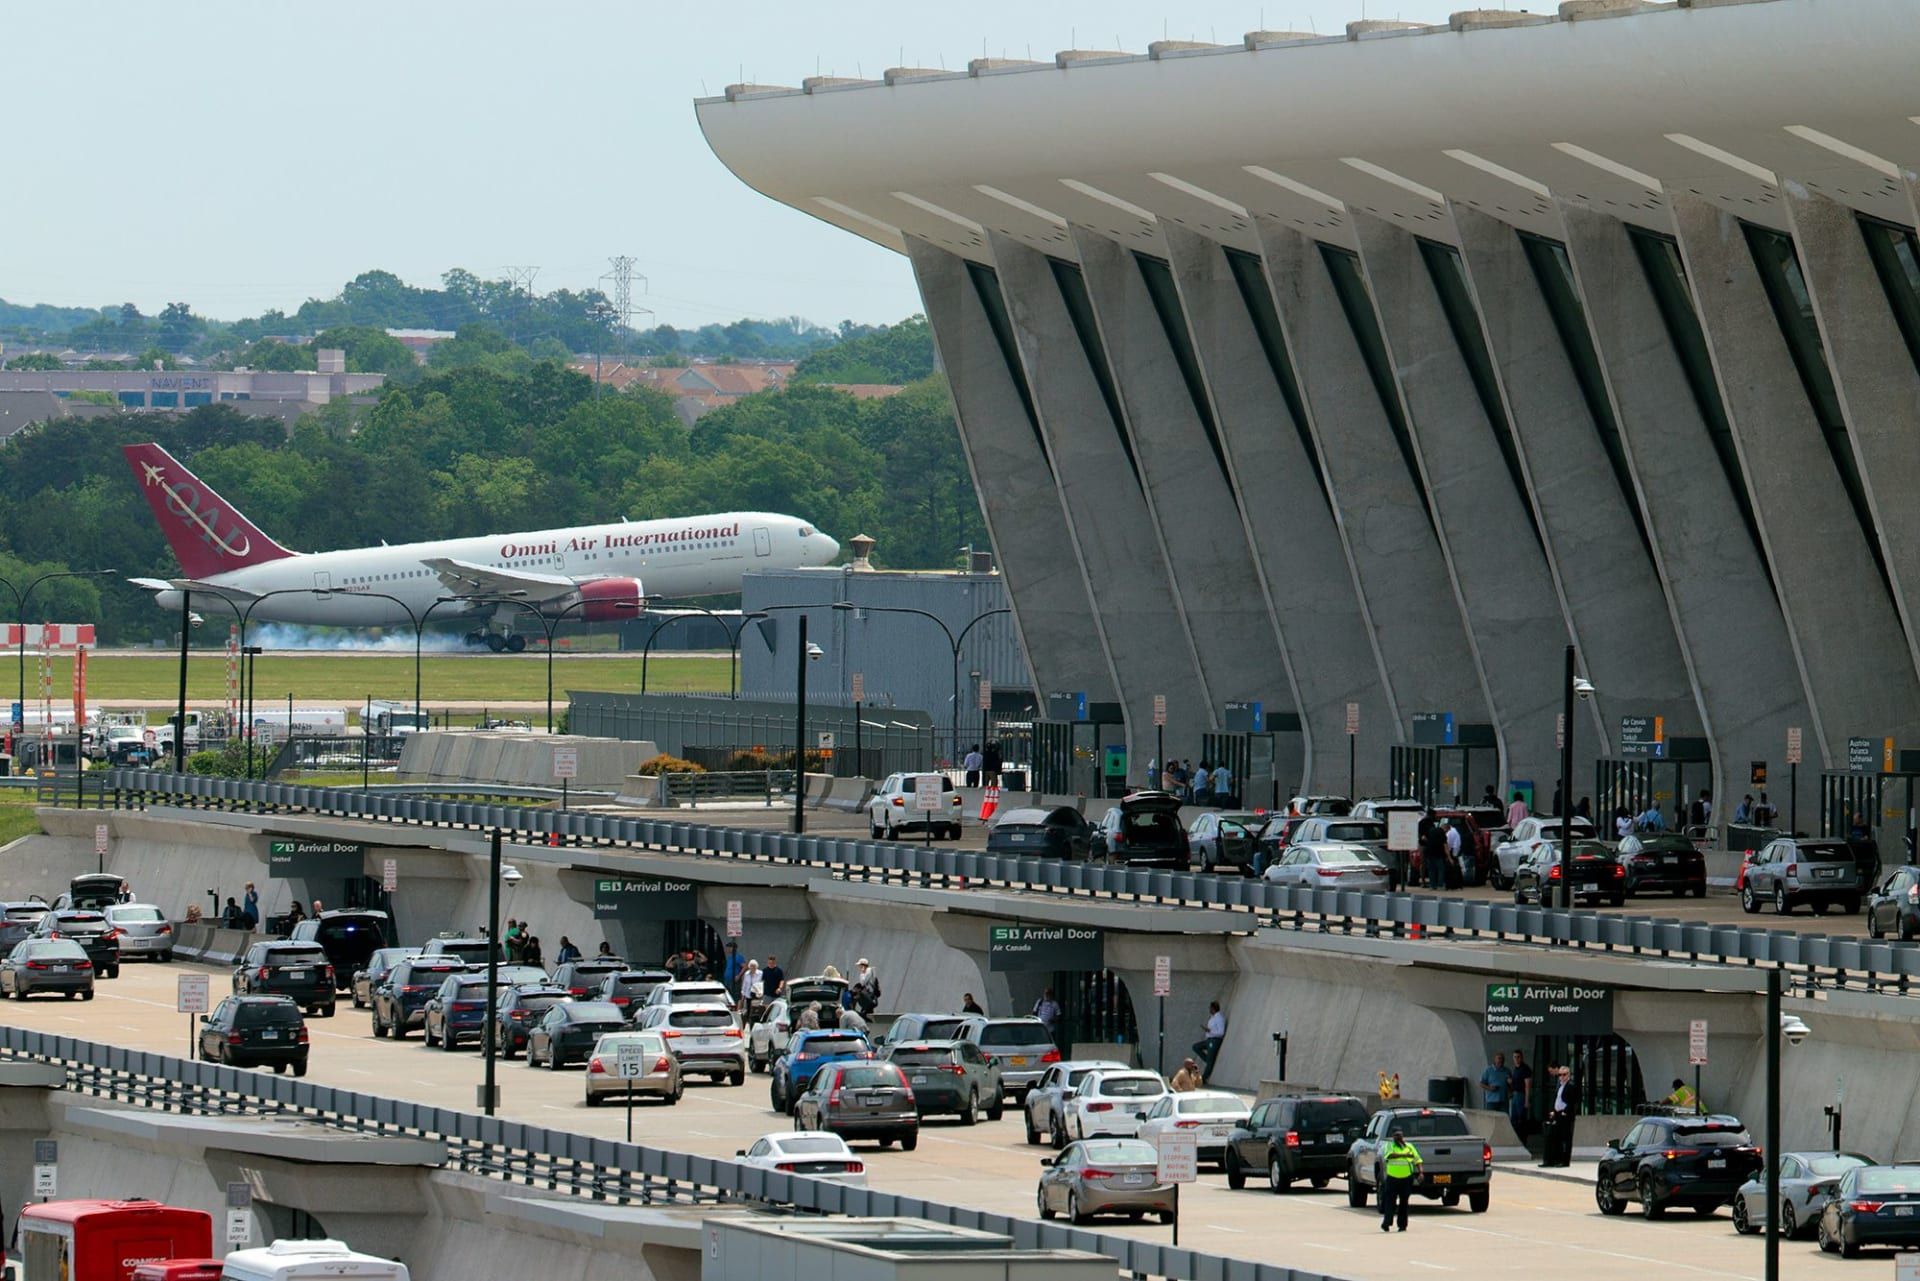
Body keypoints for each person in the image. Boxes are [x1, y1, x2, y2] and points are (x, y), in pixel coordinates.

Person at [1379, 1127, 1424, 1233]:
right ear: (1393, 1137)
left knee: (1404, 1202)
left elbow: (1417, 1160)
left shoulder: (1409, 1146)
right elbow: (1390, 1155)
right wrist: (1405, 1155)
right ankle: (1387, 1223)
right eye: (1396, 1135)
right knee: (1390, 1202)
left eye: (1400, 1135)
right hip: (1392, 1178)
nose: (1398, 1137)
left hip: (1406, 1178)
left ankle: (1402, 1225)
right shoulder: (1390, 1146)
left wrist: (1421, 1172)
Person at [1542, 1065, 1577, 1167]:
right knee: (1555, 1137)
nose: (1562, 1077)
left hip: (1565, 1115)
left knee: (1565, 1139)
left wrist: (1565, 1112)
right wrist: (1554, 1111)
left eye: (1564, 1074)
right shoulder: (1560, 1086)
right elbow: (1557, 1100)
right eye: (1560, 1075)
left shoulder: (1571, 1086)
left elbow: (1573, 1102)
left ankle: (1564, 1161)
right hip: (1557, 1114)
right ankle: (1553, 1160)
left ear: (1568, 1075)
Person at [1193, 1001, 1226, 1079]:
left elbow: (1221, 1032)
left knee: (1210, 1060)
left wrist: (1209, 1031)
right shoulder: (1212, 1018)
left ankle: (1204, 1078)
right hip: (1209, 1040)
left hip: (1214, 1041)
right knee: (1195, 1047)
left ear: (1213, 1008)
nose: (1209, 1009)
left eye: (1210, 1008)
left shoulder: (1219, 1018)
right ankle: (1209, 1061)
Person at [1508, 1049, 1533, 1140]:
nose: (1516, 1059)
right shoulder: (1515, 1069)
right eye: (1515, 1057)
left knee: (1522, 1119)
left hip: (1521, 1095)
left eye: (1518, 1057)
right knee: (1514, 1119)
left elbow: (1527, 1085)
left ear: (1521, 1058)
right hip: (1515, 1095)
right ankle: (1516, 1139)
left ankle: (1523, 1140)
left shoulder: (1525, 1069)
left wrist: (1527, 1100)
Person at [1423, 819, 1449, 892]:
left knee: (1431, 870)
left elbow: (1423, 838)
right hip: (1438, 853)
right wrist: (1449, 857)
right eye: (1447, 831)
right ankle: (1440, 885)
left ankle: (1432, 885)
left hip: (1429, 852)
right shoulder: (1442, 833)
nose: (1446, 832)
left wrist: (1429, 842)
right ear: (1445, 828)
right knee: (1440, 869)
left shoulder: (1431, 830)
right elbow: (1445, 845)